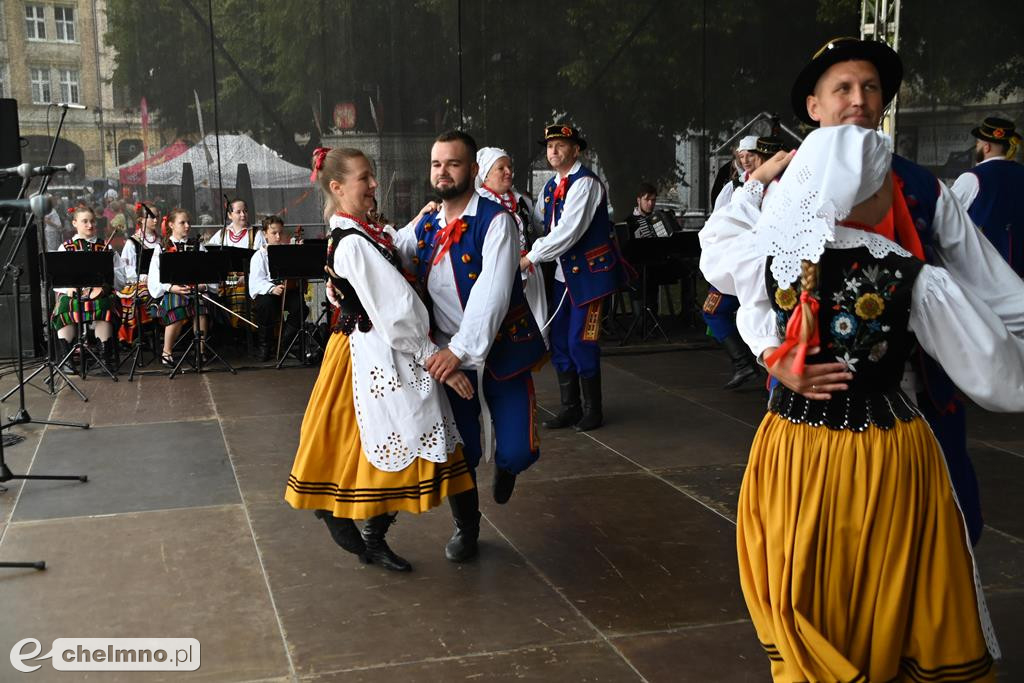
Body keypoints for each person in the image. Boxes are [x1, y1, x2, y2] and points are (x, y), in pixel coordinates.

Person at [707, 123, 1018, 683]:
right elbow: (994, 371)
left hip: (790, 449)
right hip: (882, 454)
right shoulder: (907, 273)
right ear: (868, 194)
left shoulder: (772, 256)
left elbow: (721, 250)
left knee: (804, 574)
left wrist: (772, 353)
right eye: (883, 187)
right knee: (884, 578)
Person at [702, 36, 1024, 546]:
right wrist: (771, 354)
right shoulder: (787, 189)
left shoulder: (922, 187)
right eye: (843, 87)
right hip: (810, 397)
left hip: (917, 393)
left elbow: (997, 287)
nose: (859, 99)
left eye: (871, 88)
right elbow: (753, 285)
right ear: (814, 106)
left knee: (937, 531)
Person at [285, 146, 476, 572]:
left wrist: (419, 221)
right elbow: (395, 309)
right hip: (375, 353)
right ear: (337, 187)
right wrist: (435, 359)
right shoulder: (353, 241)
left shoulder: (357, 231)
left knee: (377, 441)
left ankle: (362, 529)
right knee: (397, 434)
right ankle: (349, 521)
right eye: (364, 179)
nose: (374, 185)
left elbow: (384, 262)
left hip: (371, 347)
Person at [397, 131, 546, 563]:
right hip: (449, 359)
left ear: (474, 171)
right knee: (457, 453)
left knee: (518, 450)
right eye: (436, 164)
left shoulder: (497, 222)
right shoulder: (425, 225)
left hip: (498, 349)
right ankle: (467, 526)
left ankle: (509, 464)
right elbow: (389, 259)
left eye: (453, 163)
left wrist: (457, 352)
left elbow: (492, 294)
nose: (443, 172)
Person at [526, 124, 623, 432]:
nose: (552, 151)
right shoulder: (550, 187)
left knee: (581, 341)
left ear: (576, 149)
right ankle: (571, 407)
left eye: (560, 145)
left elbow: (568, 232)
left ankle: (594, 409)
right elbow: (540, 222)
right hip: (561, 275)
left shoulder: (586, 184)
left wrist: (531, 256)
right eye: (549, 146)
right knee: (559, 341)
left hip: (590, 278)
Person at [475, 146, 548, 345]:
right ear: (486, 174)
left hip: (530, 270)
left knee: (534, 327)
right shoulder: (478, 203)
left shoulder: (521, 201)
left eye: (510, 167)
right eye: (501, 168)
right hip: (497, 272)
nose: (509, 171)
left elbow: (537, 230)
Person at [51, 205, 127, 370]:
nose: (90, 225)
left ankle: (104, 355)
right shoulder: (65, 248)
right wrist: (68, 289)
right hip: (73, 294)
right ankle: (67, 358)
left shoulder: (106, 248)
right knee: (64, 305)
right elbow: (56, 280)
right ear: (74, 223)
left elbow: (121, 279)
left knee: (105, 305)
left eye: (92, 221)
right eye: (84, 221)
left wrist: (106, 287)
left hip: (100, 294)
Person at [951, 117, 1024, 276]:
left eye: (977, 143)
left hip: (983, 273)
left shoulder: (973, 178)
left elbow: (947, 217)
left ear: (986, 147)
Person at [147, 209, 214, 368]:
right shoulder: (161, 248)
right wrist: (171, 287)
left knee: (201, 309)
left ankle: (200, 351)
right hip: (171, 292)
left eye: (188, 222)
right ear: (171, 225)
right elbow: (154, 278)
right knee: (177, 307)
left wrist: (204, 285)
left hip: (195, 290)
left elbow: (209, 272)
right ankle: (167, 352)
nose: (187, 226)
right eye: (182, 223)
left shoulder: (198, 246)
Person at [248, 215, 309, 361]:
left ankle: (284, 343)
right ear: (265, 234)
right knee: (265, 305)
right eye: (273, 233)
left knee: (300, 307)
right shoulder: (259, 255)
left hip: (287, 291)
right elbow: (256, 281)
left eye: (280, 232)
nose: (278, 236)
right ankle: (265, 346)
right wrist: (271, 288)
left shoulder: (288, 252)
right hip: (268, 292)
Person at [206, 198, 266, 331]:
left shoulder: (256, 234)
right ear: (229, 215)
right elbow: (209, 255)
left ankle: (243, 331)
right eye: (238, 212)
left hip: (247, 278)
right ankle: (223, 332)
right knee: (212, 294)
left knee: (240, 291)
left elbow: (261, 261)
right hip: (225, 279)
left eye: (245, 211)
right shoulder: (221, 234)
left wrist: (248, 275)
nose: (243, 215)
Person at [117, 201, 161, 345]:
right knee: (142, 294)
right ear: (141, 220)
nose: (156, 220)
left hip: (160, 280)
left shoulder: (160, 241)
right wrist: (141, 277)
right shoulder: (132, 243)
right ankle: (145, 331)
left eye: (157, 217)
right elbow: (127, 269)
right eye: (152, 217)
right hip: (139, 281)